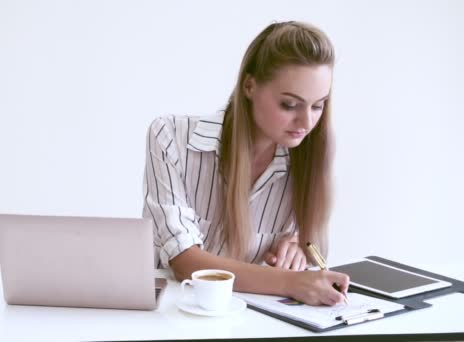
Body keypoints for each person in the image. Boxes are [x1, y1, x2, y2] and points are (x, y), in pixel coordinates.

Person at [142, 21, 350, 306]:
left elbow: (304, 254)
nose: (306, 122)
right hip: (170, 316)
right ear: (250, 86)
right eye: (289, 105)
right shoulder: (171, 138)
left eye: (317, 105)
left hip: (251, 321)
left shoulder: (304, 162)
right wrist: (291, 282)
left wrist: (297, 250)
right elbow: (185, 262)